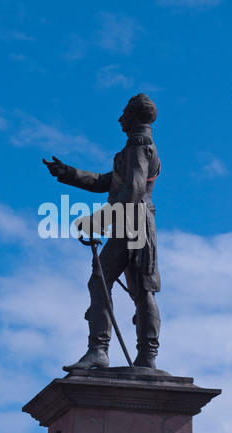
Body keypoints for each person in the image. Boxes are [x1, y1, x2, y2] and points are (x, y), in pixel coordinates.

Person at [43, 93, 161, 370]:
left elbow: (133, 190)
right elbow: (107, 182)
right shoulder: (136, 147)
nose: (120, 118)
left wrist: (99, 219)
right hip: (133, 221)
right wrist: (69, 172)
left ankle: (101, 350)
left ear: (133, 117)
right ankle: (144, 355)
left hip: (133, 221)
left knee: (112, 283)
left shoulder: (139, 144)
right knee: (138, 289)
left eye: (124, 113)